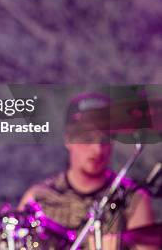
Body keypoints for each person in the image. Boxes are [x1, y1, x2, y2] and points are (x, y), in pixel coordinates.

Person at [18, 92, 155, 250]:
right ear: (68, 139)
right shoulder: (38, 197)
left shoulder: (132, 199)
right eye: (88, 139)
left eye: (105, 139)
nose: (97, 149)